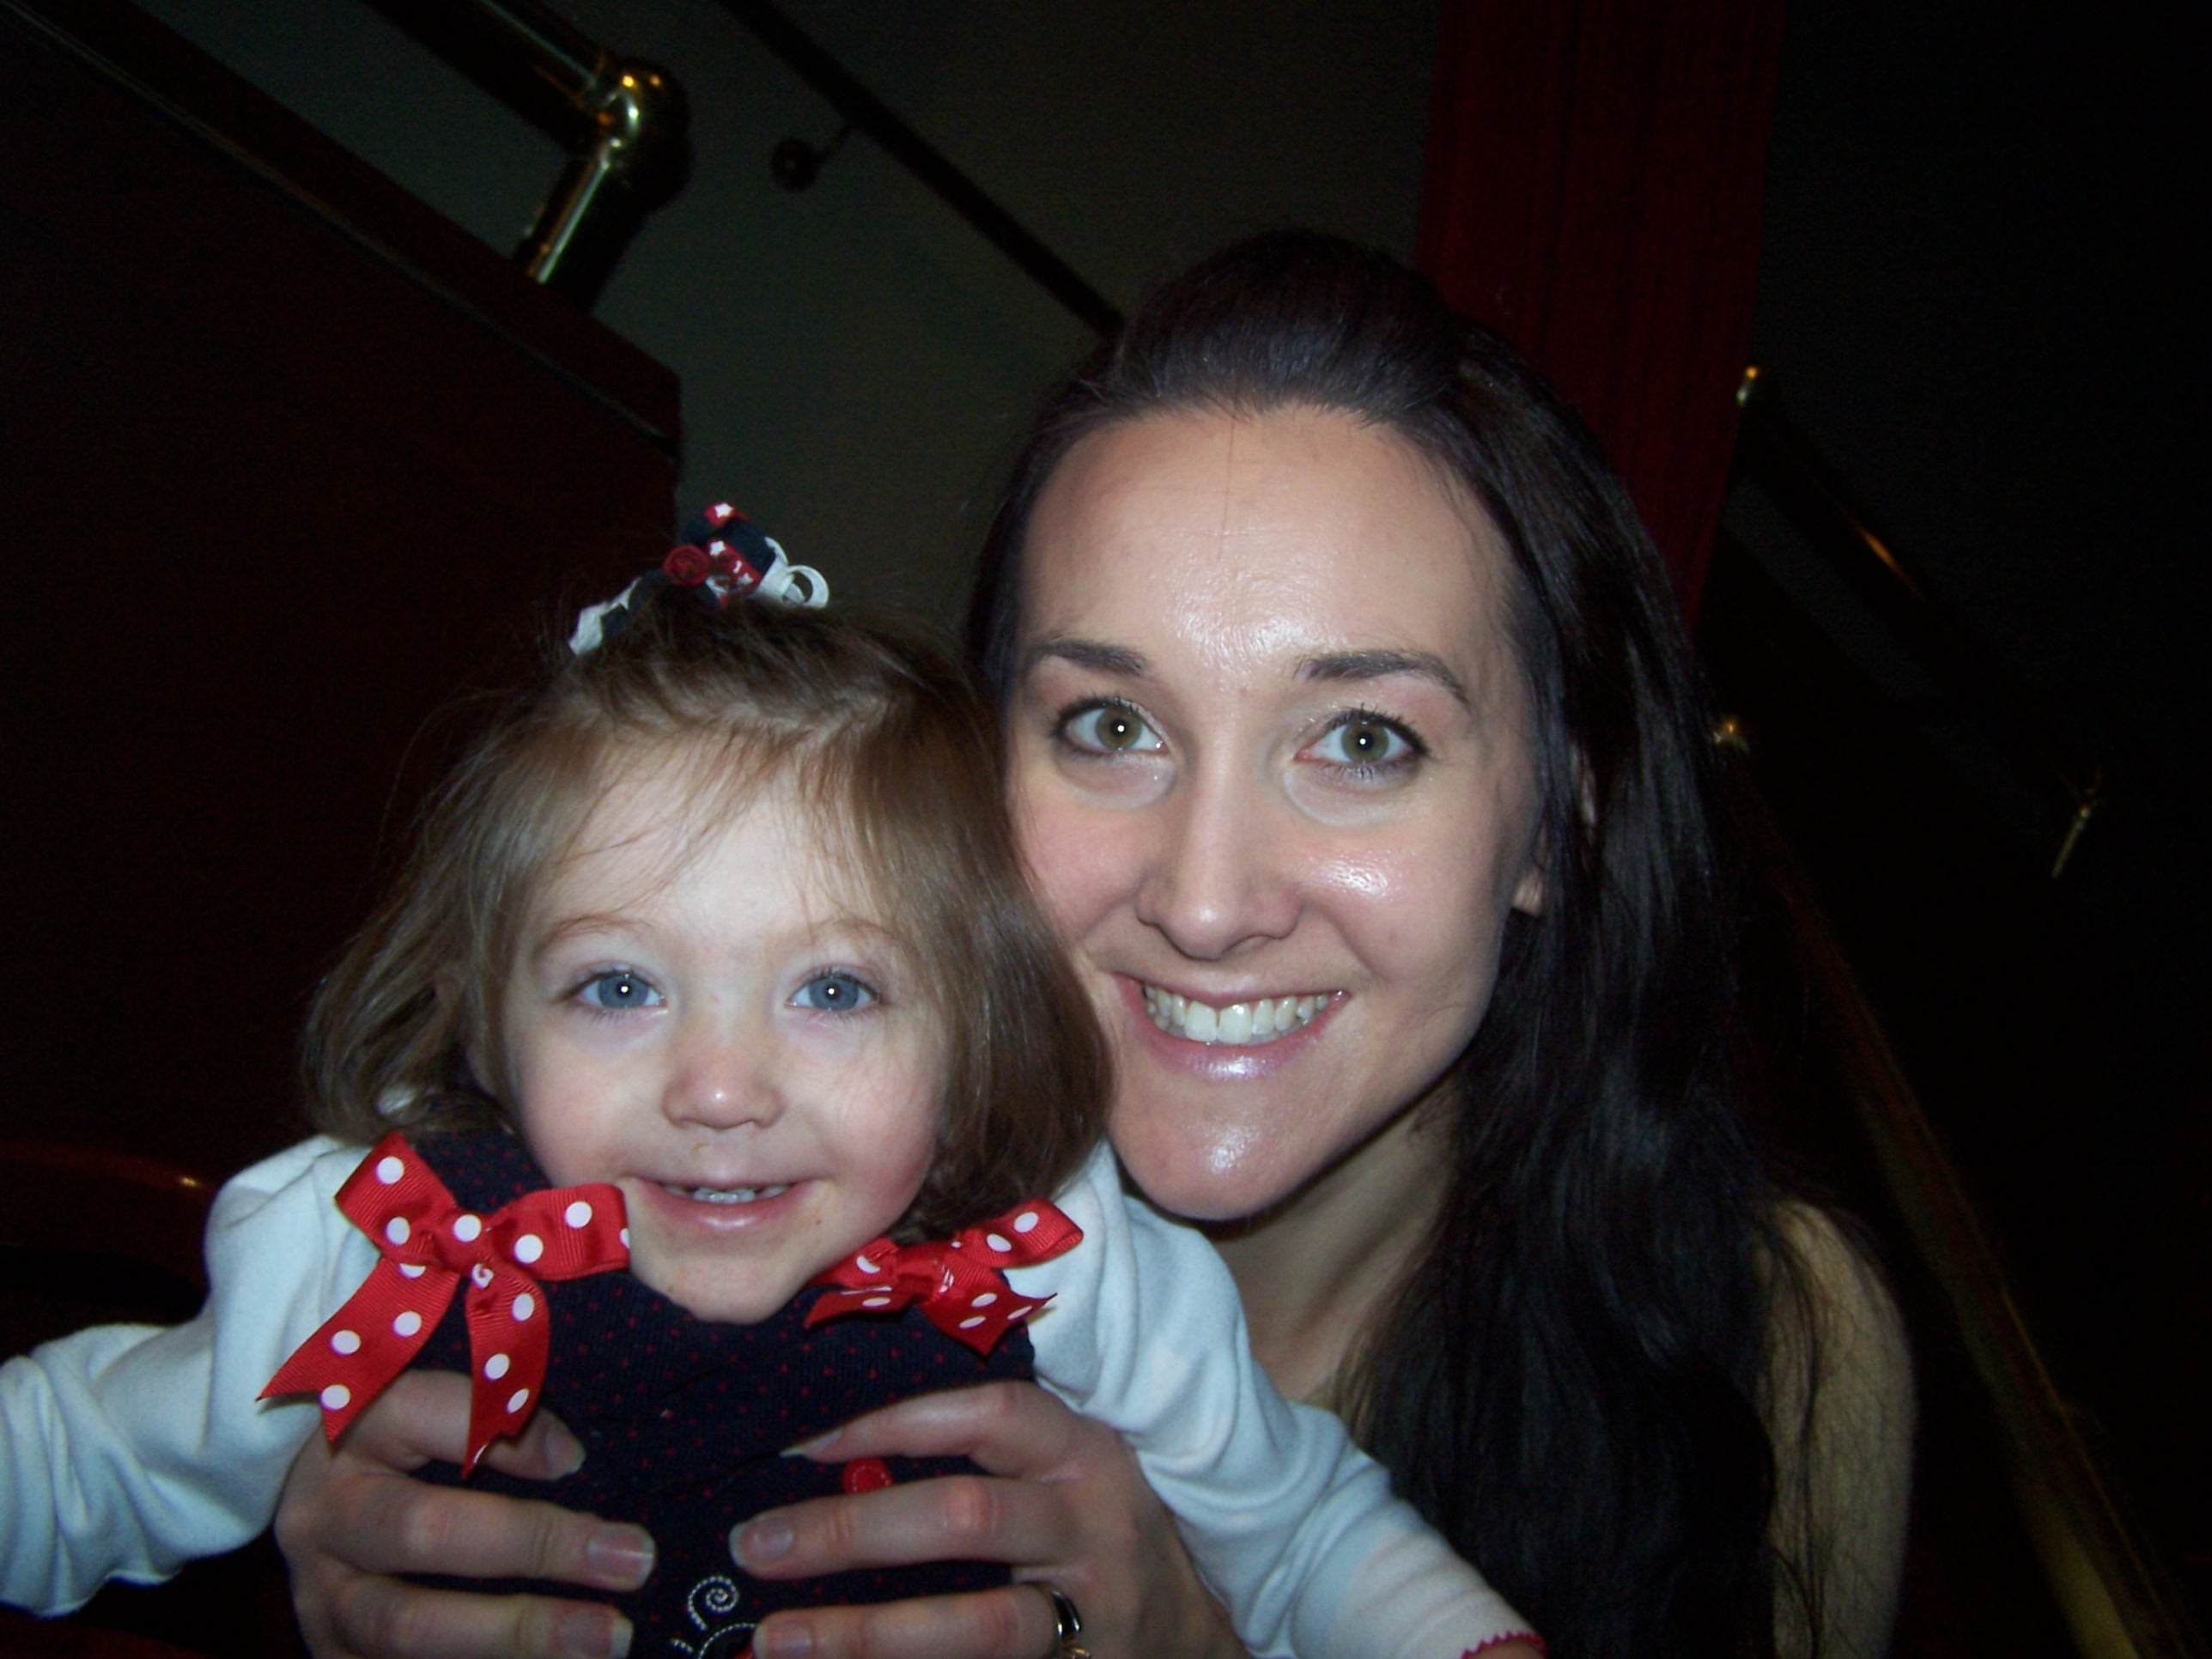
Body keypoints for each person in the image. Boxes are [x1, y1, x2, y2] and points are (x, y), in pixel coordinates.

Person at [276, 232, 1915, 1659]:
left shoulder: (1772, 1342)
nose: (1206, 900)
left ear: (1559, 825)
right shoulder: (730, 1197)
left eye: (1364, 741)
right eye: (1110, 724)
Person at [0, 553, 1540, 1659]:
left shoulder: (1052, 1258)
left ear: (973, 1021)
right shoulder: (384, 1251)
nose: (721, 1090)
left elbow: (1300, 1527)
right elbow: (76, 1460)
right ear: (486, 1012)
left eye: (837, 991)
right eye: (617, 987)